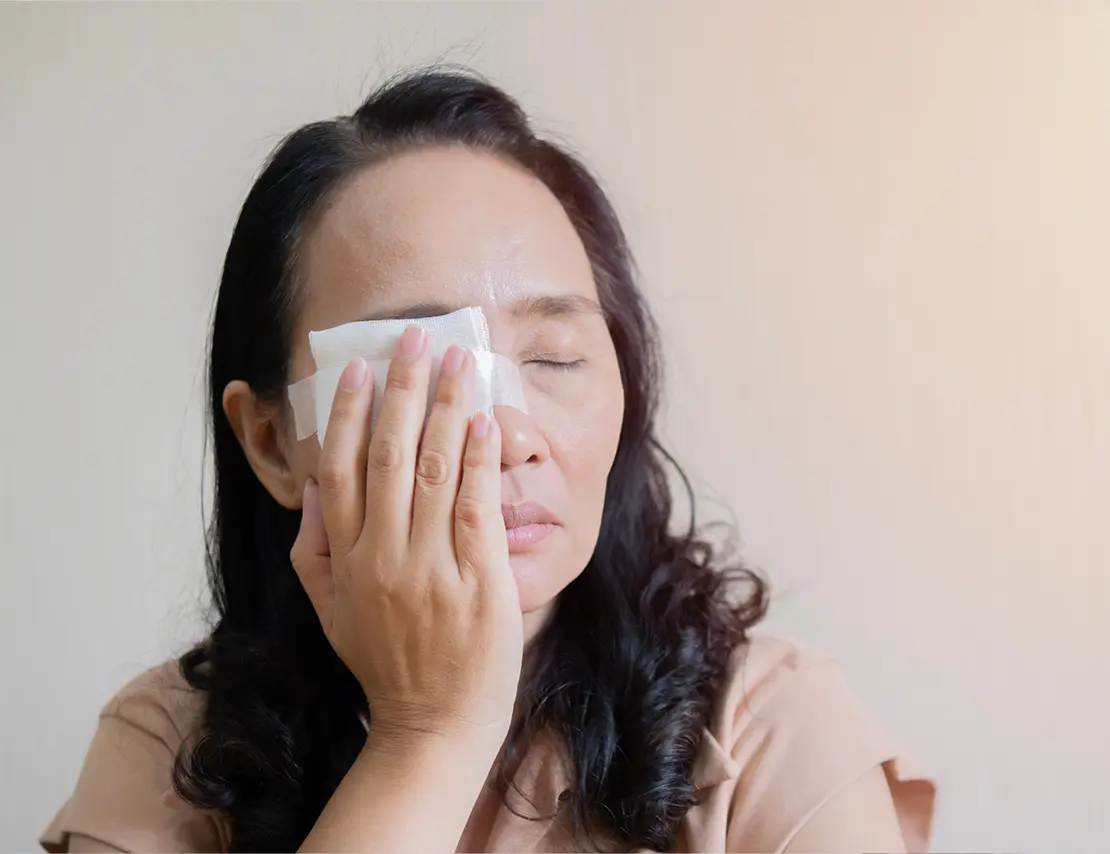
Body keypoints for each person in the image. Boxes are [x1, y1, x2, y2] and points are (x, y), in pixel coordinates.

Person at [40, 68, 935, 853]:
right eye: (422, 374)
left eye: (554, 360)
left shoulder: (768, 731)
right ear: (272, 442)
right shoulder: (167, 748)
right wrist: (424, 737)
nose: (511, 434)